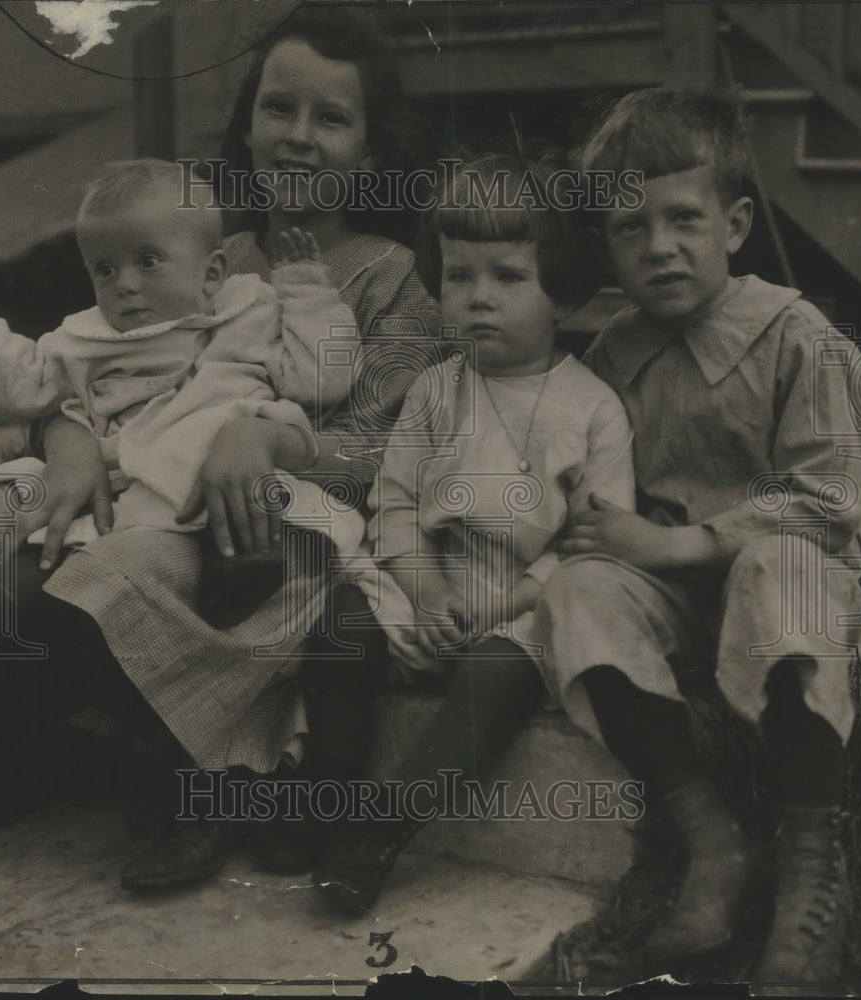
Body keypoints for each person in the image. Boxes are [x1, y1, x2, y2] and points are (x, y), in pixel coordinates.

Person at [0, 7, 443, 887]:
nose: (299, 138)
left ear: (370, 153)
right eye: (278, 109)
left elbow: (390, 448)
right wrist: (68, 436)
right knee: (22, 563)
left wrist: (262, 436)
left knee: (56, 600)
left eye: (331, 119)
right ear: (248, 126)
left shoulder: (387, 278)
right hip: (141, 493)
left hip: (266, 540)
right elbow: (93, 366)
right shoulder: (198, 249)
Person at [537, 88, 861, 983]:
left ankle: (814, 851)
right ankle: (711, 839)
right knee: (578, 589)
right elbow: (586, 483)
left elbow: (830, 497)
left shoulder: (794, 335)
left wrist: (682, 544)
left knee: (779, 571)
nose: (658, 246)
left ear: (732, 224)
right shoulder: (612, 353)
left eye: (683, 218)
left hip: (786, 572)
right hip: (681, 601)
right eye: (627, 228)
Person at [311, 150, 635, 915]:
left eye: (508, 277)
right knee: (340, 625)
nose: (478, 299)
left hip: (521, 608)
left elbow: (590, 541)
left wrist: (504, 605)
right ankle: (321, 797)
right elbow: (392, 505)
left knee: (502, 671)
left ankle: (384, 827)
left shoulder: (592, 408)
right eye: (459, 276)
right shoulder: (434, 390)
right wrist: (423, 592)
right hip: (428, 585)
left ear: (560, 290)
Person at [0, 158, 365, 628]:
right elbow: (22, 378)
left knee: (247, 516)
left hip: (221, 470)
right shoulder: (88, 340)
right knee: (42, 523)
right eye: (104, 270)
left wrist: (307, 294)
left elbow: (318, 380)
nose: (124, 284)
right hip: (117, 486)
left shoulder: (255, 312)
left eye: (148, 262)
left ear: (210, 274)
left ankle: (238, 568)